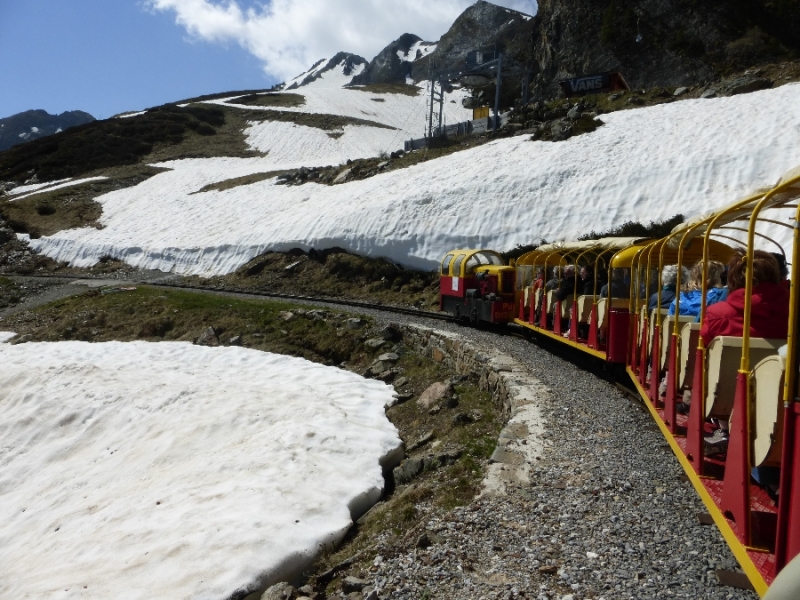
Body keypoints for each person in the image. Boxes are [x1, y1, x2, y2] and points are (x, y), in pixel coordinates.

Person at [701, 250, 790, 450]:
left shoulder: (718, 314)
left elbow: (704, 348)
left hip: (726, 398)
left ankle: (724, 427)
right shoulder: (790, 315)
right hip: (777, 401)